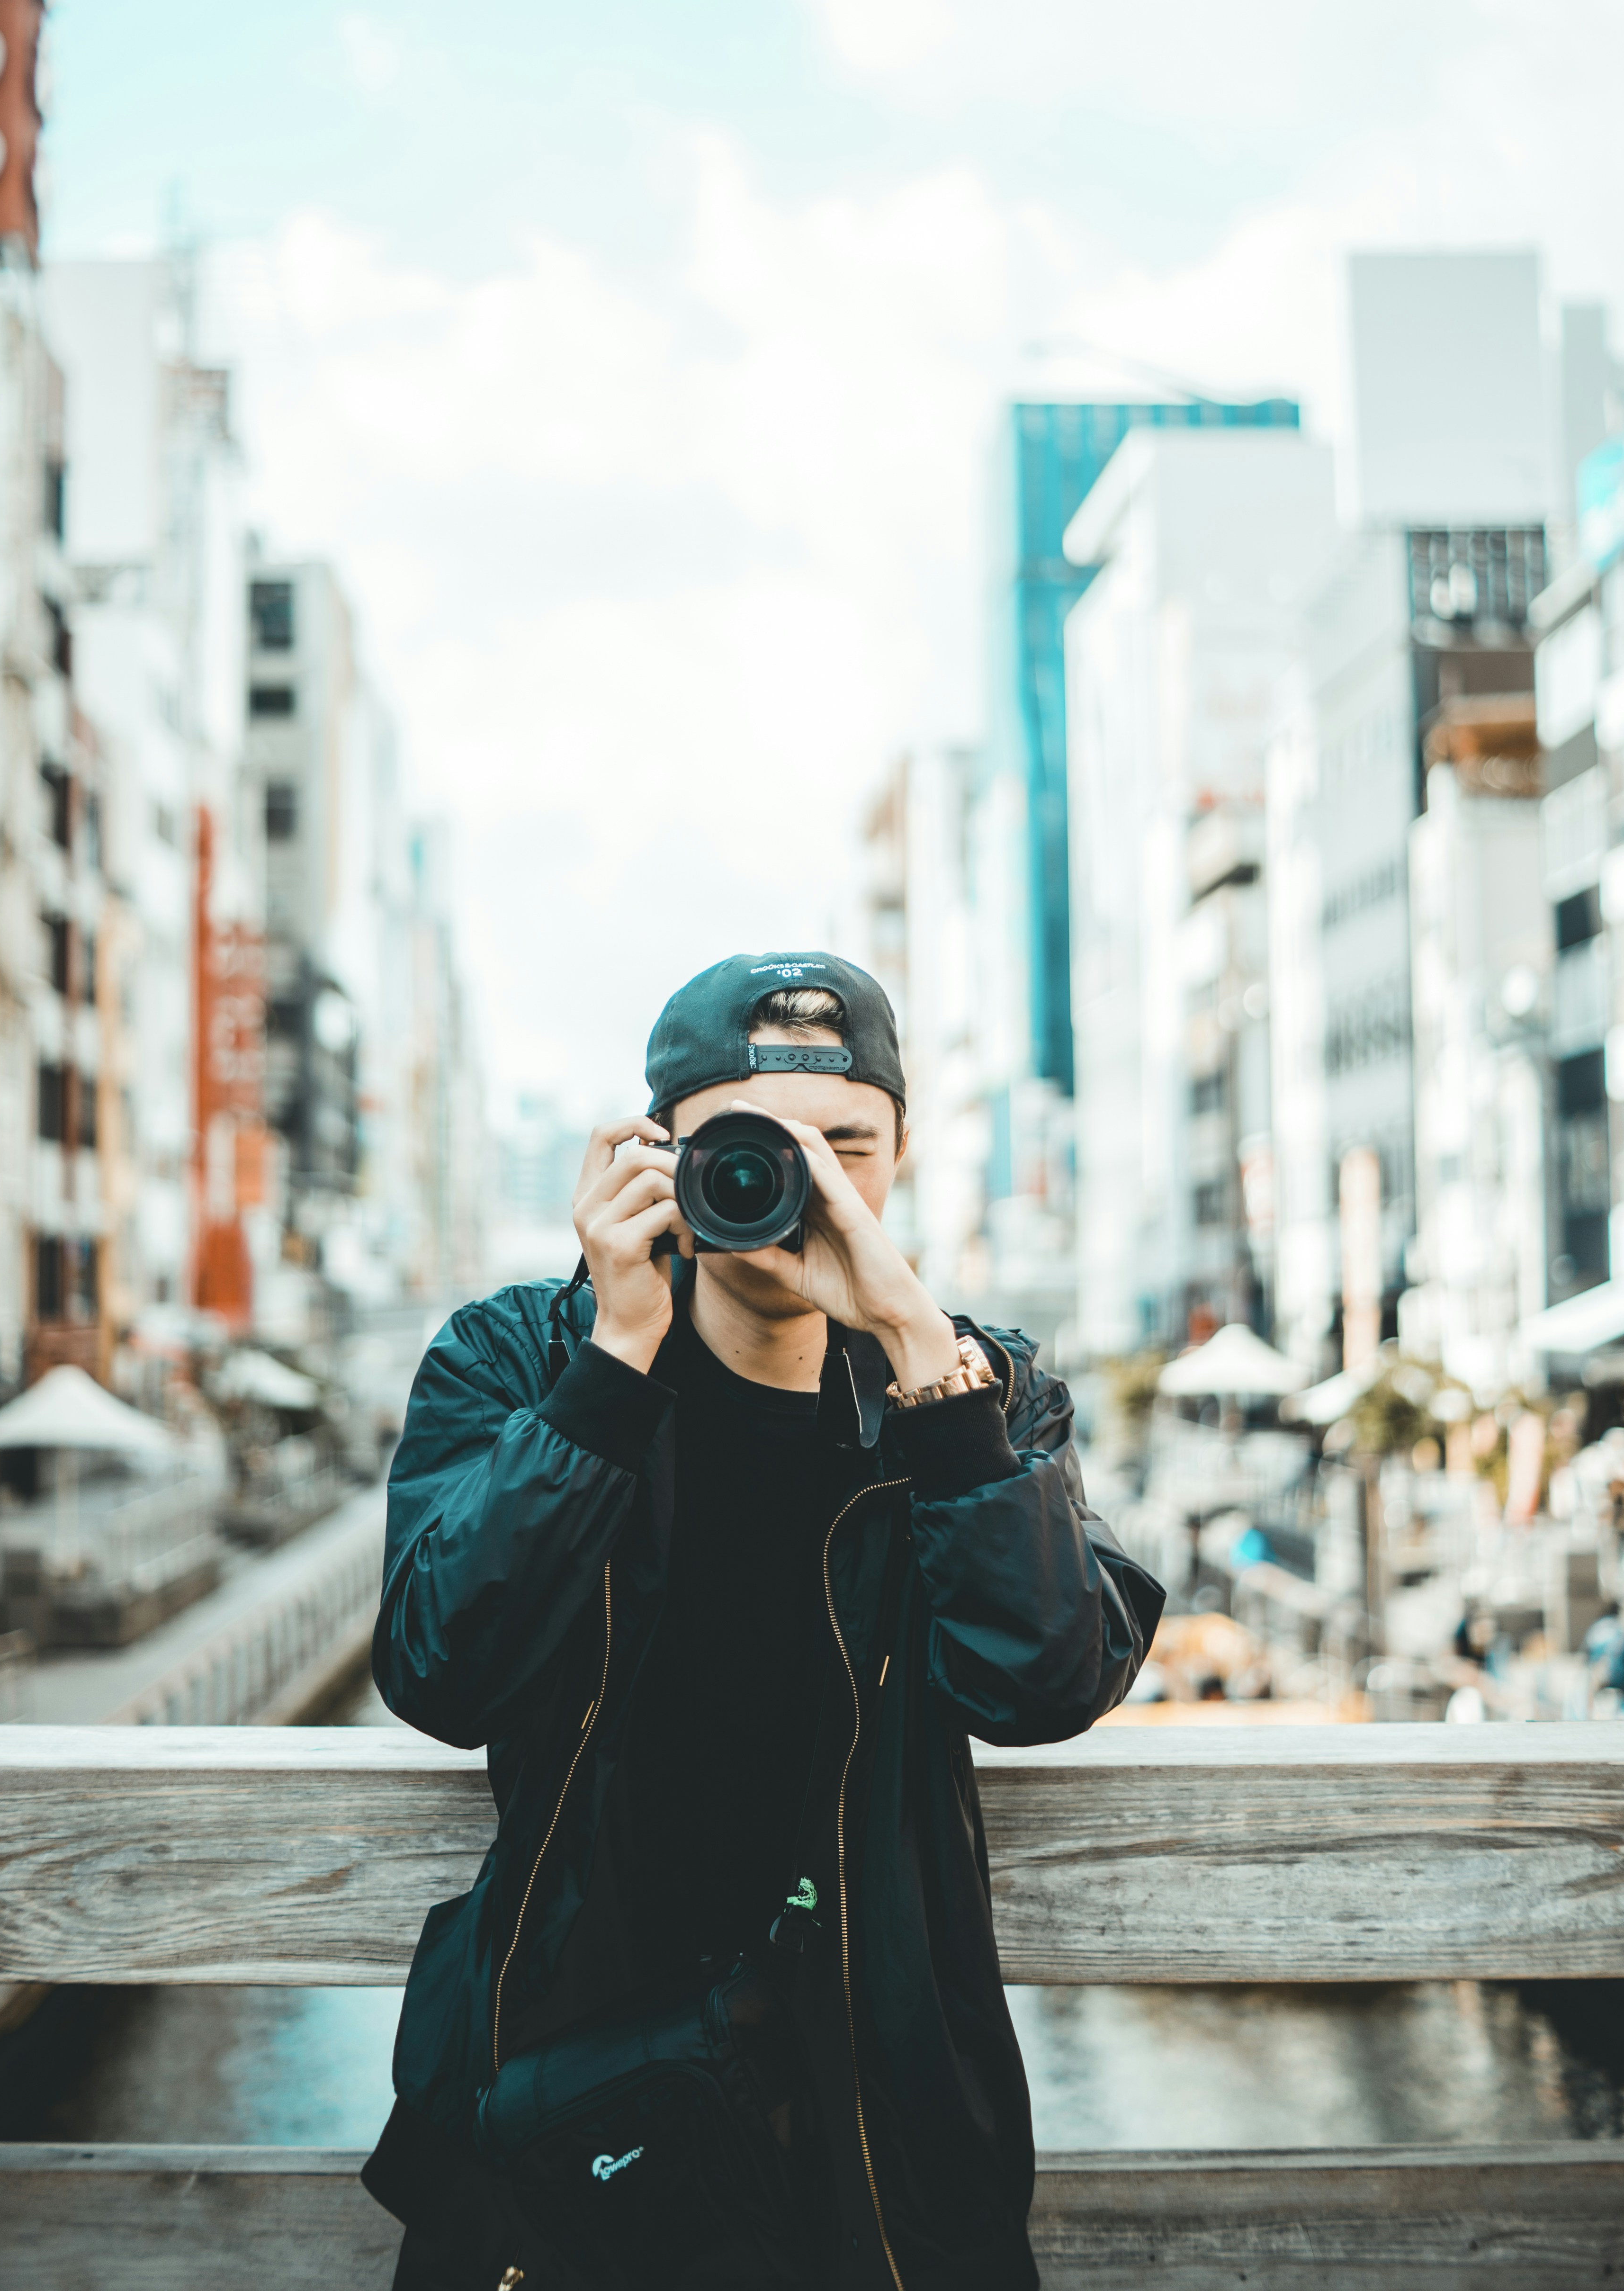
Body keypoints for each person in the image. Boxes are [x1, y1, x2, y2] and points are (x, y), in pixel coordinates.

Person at [365, 952, 1163, 2291]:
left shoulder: (976, 1388)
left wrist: (922, 1356)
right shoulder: (515, 1364)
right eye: (749, 1149)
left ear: (904, 1152)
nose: (803, 1189)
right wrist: (613, 1364)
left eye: (847, 1150)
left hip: (882, 2118)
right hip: (570, 2115)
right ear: (656, 1155)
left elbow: (1045, 1680)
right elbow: (441, 1667)